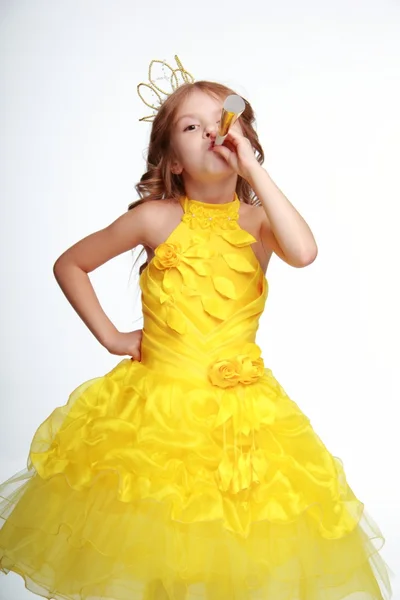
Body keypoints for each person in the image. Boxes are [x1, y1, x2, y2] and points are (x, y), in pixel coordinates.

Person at [0, 57, 393, 600]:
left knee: (231, 555)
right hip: (156, 417)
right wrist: (114, 337)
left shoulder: (258, 224)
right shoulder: (154, 218)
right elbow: (71, 263)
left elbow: (304, 252)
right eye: (192, 126)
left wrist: (254, 170)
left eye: (223, 123)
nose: (212, 132)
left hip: (243, 423)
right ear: (174, 162)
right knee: (159, 554)